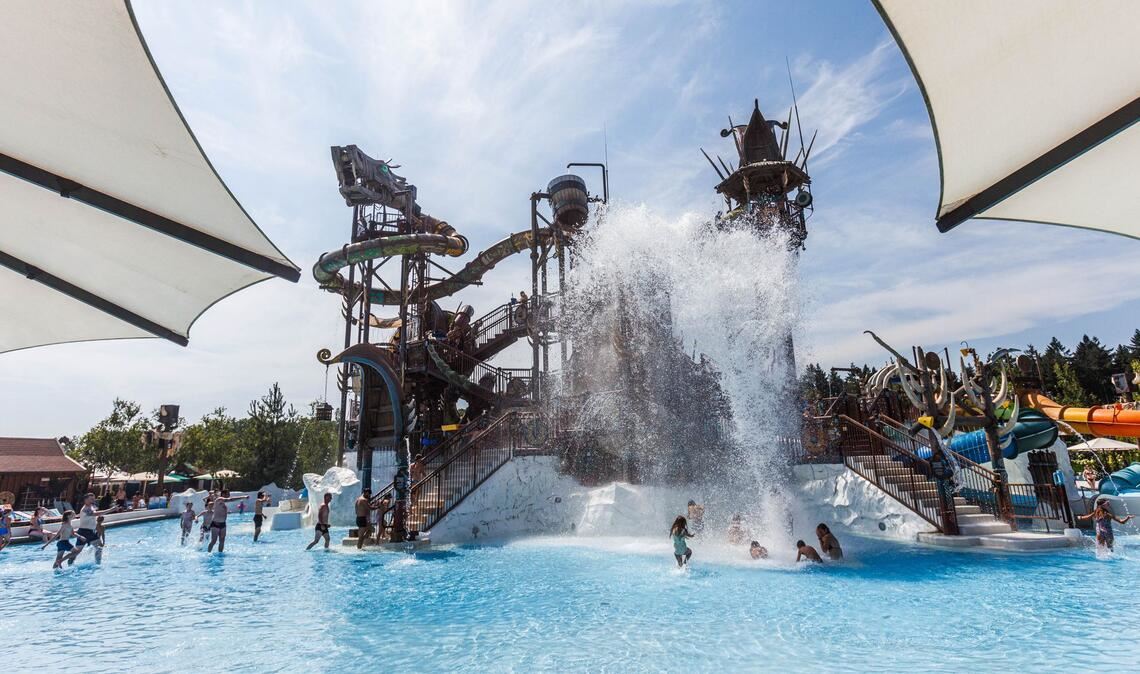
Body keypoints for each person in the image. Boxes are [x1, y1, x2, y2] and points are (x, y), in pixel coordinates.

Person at [66, 493, 117, 564]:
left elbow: (95, 512)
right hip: (85, 532)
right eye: (91, 499)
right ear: (86, 500)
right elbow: (96, 514)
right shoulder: (85, 509)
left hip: (88, 531)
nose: (93, 500)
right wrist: (111, 510)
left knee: (96, 547)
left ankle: (97, 562)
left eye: (93, 498)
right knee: (95, 547)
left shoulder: (91, 506)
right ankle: (97, 563)